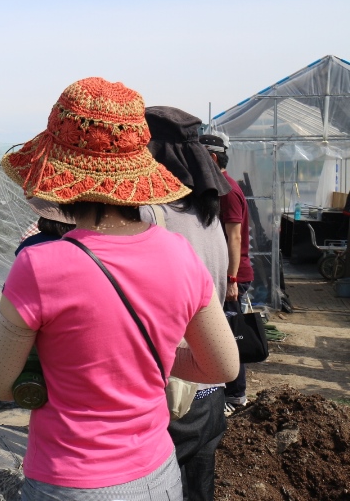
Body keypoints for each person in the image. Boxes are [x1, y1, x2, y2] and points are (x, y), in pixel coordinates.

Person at [0, 77, 239, 500]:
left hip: (70, 481)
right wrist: (150, 357)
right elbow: (222, 367)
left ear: (59, 175)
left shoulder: (39, 265)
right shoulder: (180, 254)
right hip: (159, 475)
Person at [141, 106, 232, 501]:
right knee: (199, 489)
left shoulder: (150, 216)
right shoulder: (206, 216)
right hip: (209, 391)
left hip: (173, 392)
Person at [200, 133, 253, 415]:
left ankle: (236, 395)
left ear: (211, 157)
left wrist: (232, 279)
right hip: (226, 276)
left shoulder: (228, 191)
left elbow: (234, 238)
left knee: (231, 337)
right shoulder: (218, 187)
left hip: (234, 277)